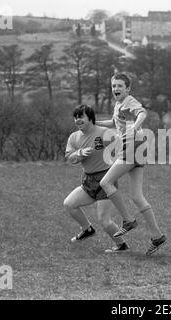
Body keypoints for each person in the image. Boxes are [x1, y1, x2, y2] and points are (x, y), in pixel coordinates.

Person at [96, 72, 166, 256]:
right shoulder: (119, 104)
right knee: (136, 196)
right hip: (137, 147)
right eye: (113, 86)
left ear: (128, 89)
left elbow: (142, 112)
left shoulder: (129, 101)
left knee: (105, 182)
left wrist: (135, 126)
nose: (116, 89)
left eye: (120, 86)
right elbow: (114, 122)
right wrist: (94, 123)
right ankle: (157, 236)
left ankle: (128, 220)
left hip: (133, 145)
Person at [63, 104, 128, 253]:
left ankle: (121, 245)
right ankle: (87, 229)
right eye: (75, 117)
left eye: (81, 117)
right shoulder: (74, 137)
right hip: (88, 180)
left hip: (106, 180)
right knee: (69, 204)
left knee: (105, 221)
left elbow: (122, 149)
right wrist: (79, 153)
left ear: (90, 118)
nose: (77, 120)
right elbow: (69, 158)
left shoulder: (104, 133)